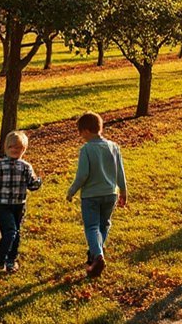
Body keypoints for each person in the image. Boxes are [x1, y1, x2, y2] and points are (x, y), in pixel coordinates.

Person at [67, 111, 128, 278]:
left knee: (92, 227)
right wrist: (123, 191)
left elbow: (83, 175)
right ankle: (95, 252)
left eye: (80, 133)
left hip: (91, 195)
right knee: (104, 225)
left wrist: (72, 191)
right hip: (110, 194)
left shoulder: (86, 149)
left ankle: (97, 256)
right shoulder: (114, 147)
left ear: (86, 131)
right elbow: (120, 172)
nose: (80, 136)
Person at [0, 131, 43, 273]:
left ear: (24, 149)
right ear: (6, 148)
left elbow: (32, 185)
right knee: (10, 232)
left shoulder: (25, 167)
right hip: (2, 205)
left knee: (16, 233)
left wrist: (38, 181)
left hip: (19, 205)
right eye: (11, 147)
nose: (14, 150)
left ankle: (11, 260)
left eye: (18, 148)